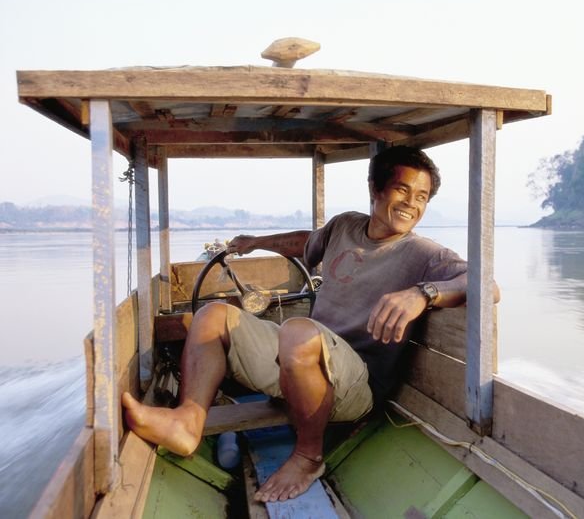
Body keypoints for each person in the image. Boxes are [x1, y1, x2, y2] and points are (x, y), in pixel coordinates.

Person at [122, 145, 500, 502]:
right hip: (301, 365)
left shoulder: (424, 254)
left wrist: (424, 293)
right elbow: (306, 242)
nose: (411, 204)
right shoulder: (345, 226)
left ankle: (307, 457)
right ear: (376, 188)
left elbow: (488, 285)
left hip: (356, 387)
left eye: (422, 197)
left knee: (298, 332)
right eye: (403, 190)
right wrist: (257, 241)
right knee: (212, 315)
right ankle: (187, 422)